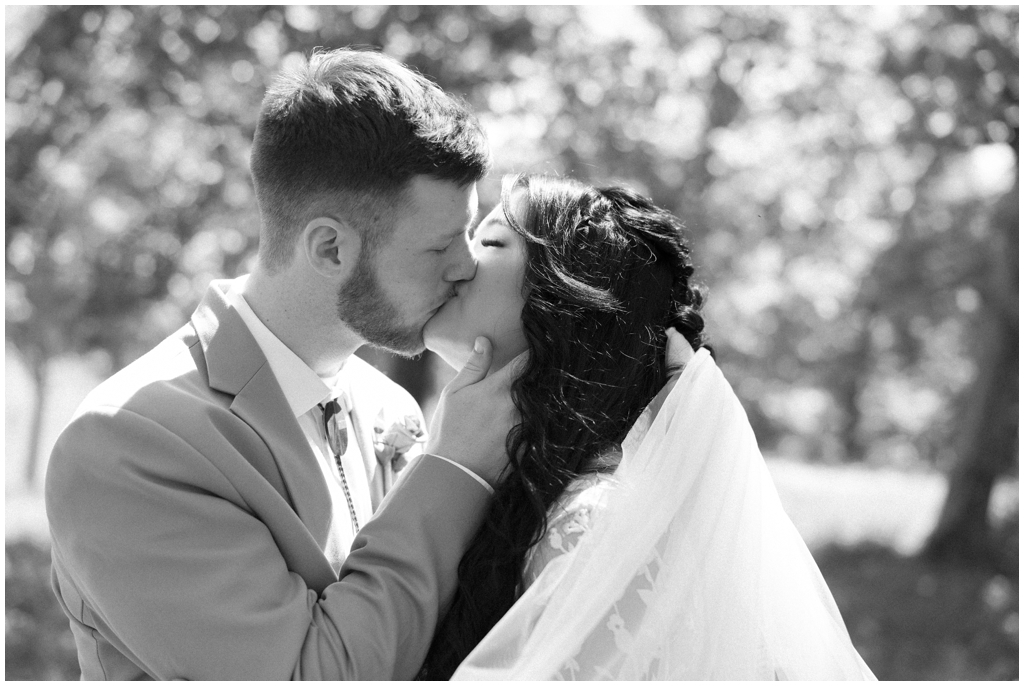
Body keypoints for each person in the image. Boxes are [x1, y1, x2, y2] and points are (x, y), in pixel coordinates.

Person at [44, 48, 517, 680]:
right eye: (439, 245)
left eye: (468, 233)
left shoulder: (391, 409)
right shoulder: (127, 445)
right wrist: (455, 468)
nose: (466, 267)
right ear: (329, 247)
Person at [418, 173, 877, 680]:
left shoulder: (585, 527)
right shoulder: (501, 481)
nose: (459, 263)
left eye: (490, 242)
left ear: (563, 302)